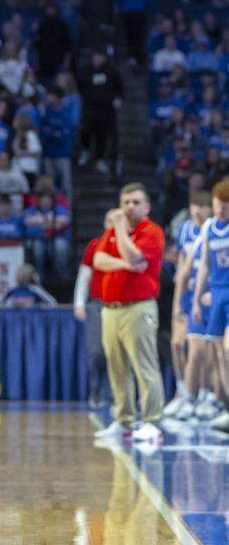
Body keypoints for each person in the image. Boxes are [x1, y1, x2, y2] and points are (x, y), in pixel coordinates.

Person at [93, 183, 166, 443]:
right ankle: (124, 420)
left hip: (139, 308)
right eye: (125, 203)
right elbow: (98, 260)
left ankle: (151, 421)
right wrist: (125, 264)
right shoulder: (112, 232)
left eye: (135, 202)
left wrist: (121, 230)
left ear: (146, 207)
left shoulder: (152, 232)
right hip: (111, 309)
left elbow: (135, 255)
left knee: (144, 365)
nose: (129, 208)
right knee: (116, 366)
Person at [165, 191, 220, 421]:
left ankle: (203, 395)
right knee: (178, 344)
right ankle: (184, 392)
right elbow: (182, 270)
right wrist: (178, 303)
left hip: (212, 295)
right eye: (193, 206)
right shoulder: (186, 230)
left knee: (205, 351)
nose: (196, 210)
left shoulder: (214, 231)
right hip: (190, 296)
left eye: (202, 206)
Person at [191, 180, 229, 432]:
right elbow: (204, 264)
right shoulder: (208, 228)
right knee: (216, 351)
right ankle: (225, 403)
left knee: (227, 348)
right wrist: (196, 297)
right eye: (217, 207)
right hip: (216, 293)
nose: (220, 212)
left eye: (225, 208)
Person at [74, 209, 119, 409]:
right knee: (96, 351)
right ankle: (95, 391)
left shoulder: (127, 245)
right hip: (98, 305)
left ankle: (114, 394)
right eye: (110, 220)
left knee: (117, 352)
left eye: (117, 220)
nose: (113, 224)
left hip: (121, 305)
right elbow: (84, 276)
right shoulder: (95, 246)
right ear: (104, 223)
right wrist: (79, 302)